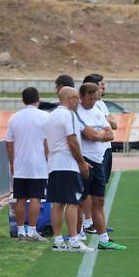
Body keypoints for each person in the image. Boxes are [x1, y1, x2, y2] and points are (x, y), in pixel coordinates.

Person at [76, 83, 125, 250]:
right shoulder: (76, 113)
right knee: (80, 201)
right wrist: (99, 134)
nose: (93, 102)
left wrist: (98, 135)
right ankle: (77, 236)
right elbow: (88, 134)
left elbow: (110, 134)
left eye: (95, 98)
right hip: (84, 160)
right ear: (81, 96)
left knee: (99, 200)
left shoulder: (97, 111)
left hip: (97, 160)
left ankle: (104, 239)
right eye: (90, 99)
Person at [44, 87, 93, 252]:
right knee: (73, 202)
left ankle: (58, 240)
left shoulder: (51, 116)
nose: (79, 102)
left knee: (57, 203)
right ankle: (73, 239)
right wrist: (82, 163)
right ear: (71, 99)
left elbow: (45, 144)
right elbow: (72, 140)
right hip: (67, 164)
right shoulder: (69, 115)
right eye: (77, 99)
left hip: (54, 163)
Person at [5, 87, 50, 242]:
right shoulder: (45, 117)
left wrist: (12, 162)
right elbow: (46, 143)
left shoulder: (14, 118)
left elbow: (9, 143)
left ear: (23, 100)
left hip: (21, 164)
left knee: (20, 199)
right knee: (36, 198)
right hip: (38, 164)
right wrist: (48, 160)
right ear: (38, 99)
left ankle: (20, 231)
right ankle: (31, 231)